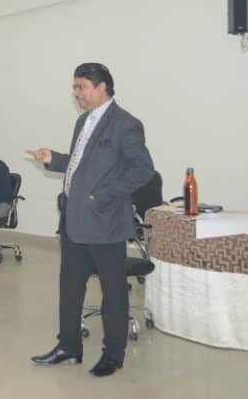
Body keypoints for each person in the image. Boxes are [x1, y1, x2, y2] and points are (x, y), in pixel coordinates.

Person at [27, 62, 153, 377]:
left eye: (81, 86)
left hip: (105, 221)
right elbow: (80, 163)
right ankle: (69, 346)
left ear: (101, 87)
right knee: (69, 287)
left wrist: (102, 196)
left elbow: (142, 170)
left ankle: (113, 354)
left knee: (113, 291)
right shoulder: (83, 121)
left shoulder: (126, 124)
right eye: (75, 87)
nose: (76, 93)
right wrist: (53, 160)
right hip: (74, 219)